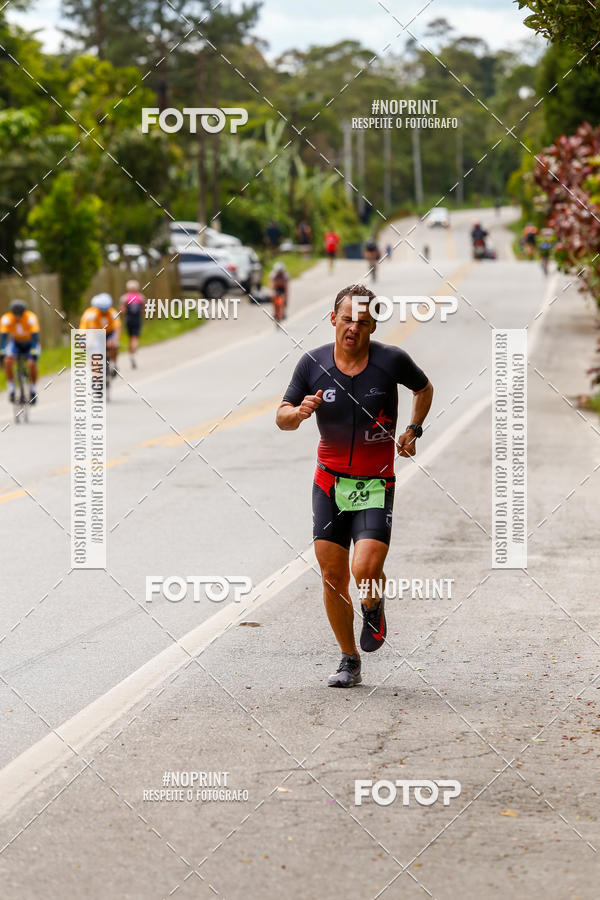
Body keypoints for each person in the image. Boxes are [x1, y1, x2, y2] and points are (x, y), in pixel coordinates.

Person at [276, 283, 433, 688]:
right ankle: (349, 659)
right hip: (329, 483)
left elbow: (423, 387)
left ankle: (373, 602)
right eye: (347, 319)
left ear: (373, 326)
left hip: (375, 482)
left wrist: (413, 428)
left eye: (362, 322)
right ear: (333, 319)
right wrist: (298, 413)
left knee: (364, 567)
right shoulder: (312, 363)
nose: (353, 328)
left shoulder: (391, 361)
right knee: (332, 575)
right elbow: (282, 414)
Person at [0, 299, 40, 404]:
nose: (17, 316)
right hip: (16, 343)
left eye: (20, 314)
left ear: (24, 312)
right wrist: (3, 350)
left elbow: (35, 337)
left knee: (32, 364)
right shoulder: (6, 319)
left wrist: (33, 350)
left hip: (30, 343)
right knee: (7, 361)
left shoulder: (30, 317)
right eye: (15, 314)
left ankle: (32, 389)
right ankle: (12, 388)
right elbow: (3, 337)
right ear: (11, 312)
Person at [79, 293, 120, 376]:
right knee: (93, 352)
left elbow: (117, 329)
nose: (103, 311)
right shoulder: (91, 314)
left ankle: (114, 363)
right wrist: (89, 343)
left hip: (108, 332)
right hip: (91, 333)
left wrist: (114, 340)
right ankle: (95, 374)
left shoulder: (113, 313)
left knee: (114, 345)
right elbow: (92, 330)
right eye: (101, 309)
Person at [119, 279, 145, 368]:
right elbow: (144, 309)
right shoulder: (141, 297)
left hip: (128, 320)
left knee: (130, 338)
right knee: (135, 337)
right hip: (137, 320)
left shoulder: (124, 298)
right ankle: (134, 350)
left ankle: (131, 354)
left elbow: (122, 311)